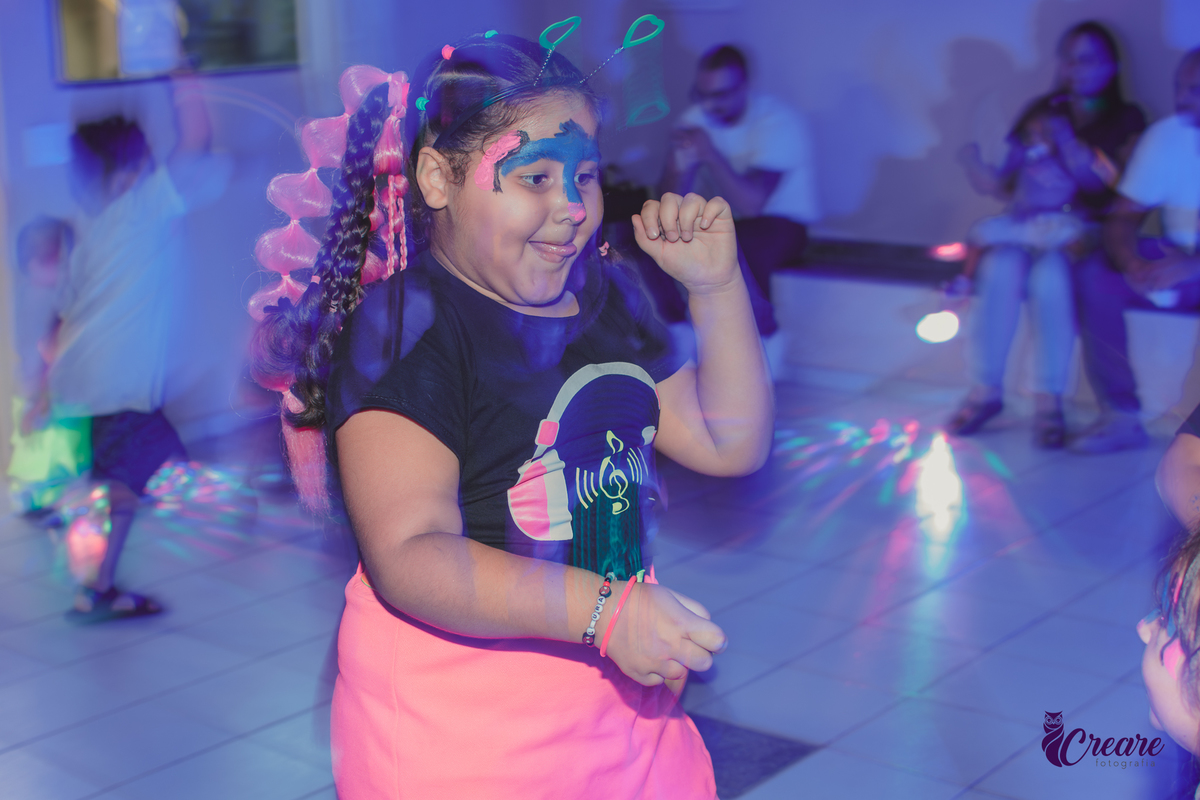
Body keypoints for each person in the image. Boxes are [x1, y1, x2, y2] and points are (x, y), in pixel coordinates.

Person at [250, 32, 773, 798]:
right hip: (464, 727)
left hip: (620, 705)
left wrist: (718, 288)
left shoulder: (605, 298)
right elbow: (412, 553)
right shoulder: (403, 329)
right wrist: (606, 611)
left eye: (586, 177)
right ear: (439, 177)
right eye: (535, 176)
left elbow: (731, 441)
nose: (572, 209)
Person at [53, 76, 228, 622]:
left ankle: (96, 587)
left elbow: (64, 314)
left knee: (119, 486)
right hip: (119, 388)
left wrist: (41, 389)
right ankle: (91, 577)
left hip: (94, 385)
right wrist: (183, 73)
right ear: (135, 159)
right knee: (154, 473)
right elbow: (195, 138)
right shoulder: (143, 205)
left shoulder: (94, 225)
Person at [946, 21, 1145, 448]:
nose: (1076, 69)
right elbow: (1008, 179)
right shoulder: (1042, 109)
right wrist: (981, 167)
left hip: (1079, 233)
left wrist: (1065, 140)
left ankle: (1048, 400)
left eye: (1089, 59)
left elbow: (1103, 187)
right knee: (999, 266)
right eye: (1070, 58)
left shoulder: (1125, 118)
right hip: (1026, 223)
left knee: (1050, 278)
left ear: (1113, 66)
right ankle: (986, 391)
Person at [1074, 48, 1200, 453]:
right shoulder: (1168, 136)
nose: (1183, 100)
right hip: (1180, 255)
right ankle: (1121, 415)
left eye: (1195, 91)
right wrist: (1131, 261)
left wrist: (1192, 267)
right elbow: (1122, 217)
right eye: (1180, 88)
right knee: (1097, 275)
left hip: (1191, 266)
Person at [659, 44, 818, 340]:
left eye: (719, 96)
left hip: (782, 225)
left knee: (743, 240)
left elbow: (753, 205)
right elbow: (667, 201)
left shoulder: (777, 122)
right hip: (725, 221)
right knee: (647, 236)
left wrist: (710, 155)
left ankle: (765, 337)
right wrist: (676, 164)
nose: (709, 106)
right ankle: (681, 336)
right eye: (702, 95)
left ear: (743, 87)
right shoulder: (696, 119)